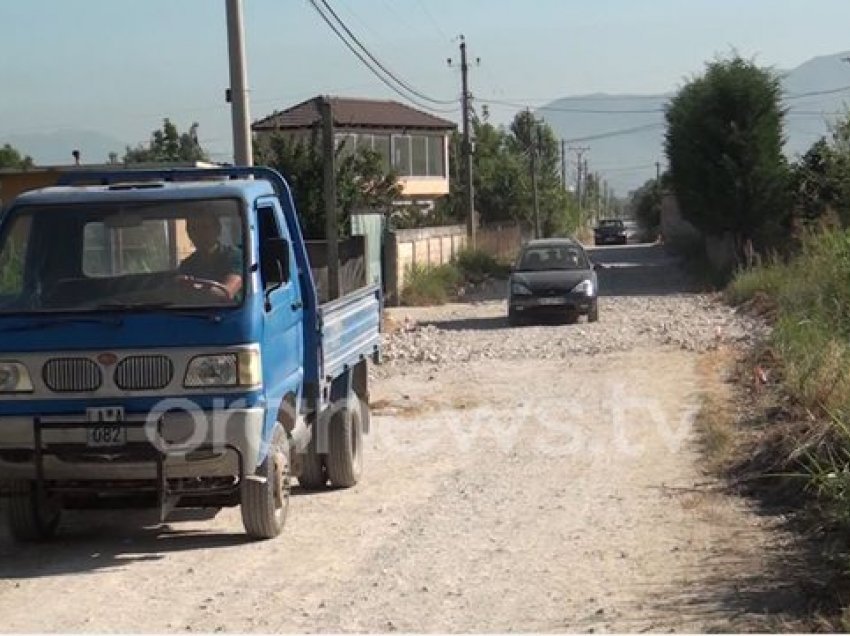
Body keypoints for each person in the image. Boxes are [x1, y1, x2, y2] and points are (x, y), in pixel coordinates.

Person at [179, 215, 243, 300]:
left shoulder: (235, 256)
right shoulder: (187, 264)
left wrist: (194, 287)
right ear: (189, 234)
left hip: (228, 311)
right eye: (194, 229)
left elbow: (227, 292)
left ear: (217, 230)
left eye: (205, 228)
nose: (199, 233)